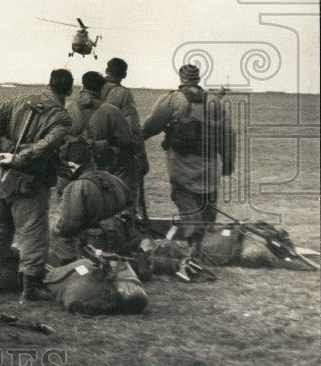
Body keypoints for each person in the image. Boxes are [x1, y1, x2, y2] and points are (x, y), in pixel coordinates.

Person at [0, 69, 73, 301]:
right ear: (69, 90)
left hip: (1, 178)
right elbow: (46, 146)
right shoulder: (62, 118)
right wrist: (21, 157)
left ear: (48, 83)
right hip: (31, 183)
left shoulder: (17, 100)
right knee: (33, 235)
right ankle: (29, 290)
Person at [141, 64, 235, 242]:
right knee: (208, 209)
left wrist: (136, 138)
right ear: (198, 79)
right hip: (210, 169)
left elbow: (151, 126)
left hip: (182, 166)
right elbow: (228, 134)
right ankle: (206, 243)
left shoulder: (173, 99)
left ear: (182, 78)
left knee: (186, 202)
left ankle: (195, 241)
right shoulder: (215, 102)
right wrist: (228, 162)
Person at [49, 143, 131, 265]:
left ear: (72, 165)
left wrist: (52, 226)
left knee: (47, 237)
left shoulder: (77, 186)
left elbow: (67, 226)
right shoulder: (115, 180)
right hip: (119, 241)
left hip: (92, 248)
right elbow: (130, 206)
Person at [66, 71, 136, 179]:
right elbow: (127, 139)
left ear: (83, 86)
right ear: (101, 89)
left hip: (69, 173)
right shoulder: (113, 111)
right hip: (99, 175)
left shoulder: (67, 109)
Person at [100, 58, 148, 209]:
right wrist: (141, 157)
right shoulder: (123, 94)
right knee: (127, 197)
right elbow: (133, 129)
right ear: (124, 75)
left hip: (95, 153)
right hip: (118, 155)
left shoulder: (93, 89)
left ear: (106, 70)